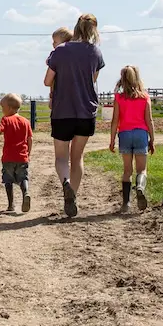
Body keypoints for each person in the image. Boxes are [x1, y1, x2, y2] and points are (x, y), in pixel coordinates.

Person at [43, 13, 104, 219]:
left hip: (62, 111)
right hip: (86, 111)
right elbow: (93, 78)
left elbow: (47, 80)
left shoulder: (60, 50)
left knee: (61, 157)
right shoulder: (95, 52)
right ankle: (73, 197)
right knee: (77, 157)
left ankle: (66, 184)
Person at [107, 65, 155, 212]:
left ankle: (126, 204)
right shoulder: (144, 97)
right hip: (141, 133)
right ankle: (140, 186)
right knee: (142, 170)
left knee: (127, 171)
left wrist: (112, 139)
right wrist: (152, 139)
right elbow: (149, 120)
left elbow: (115, 121)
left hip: (125, 134)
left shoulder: (119, 98)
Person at [0, 92, 33, 213]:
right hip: (22, 157)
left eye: (3, 107)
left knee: (8, 180)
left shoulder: (6, 119)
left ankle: (11, 205)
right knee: (23, 178)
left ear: (10, 108)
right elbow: (30, 139)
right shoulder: (25, 121)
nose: (2, 110)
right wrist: (28, 153)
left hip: (8, 157)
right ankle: (25, 192)